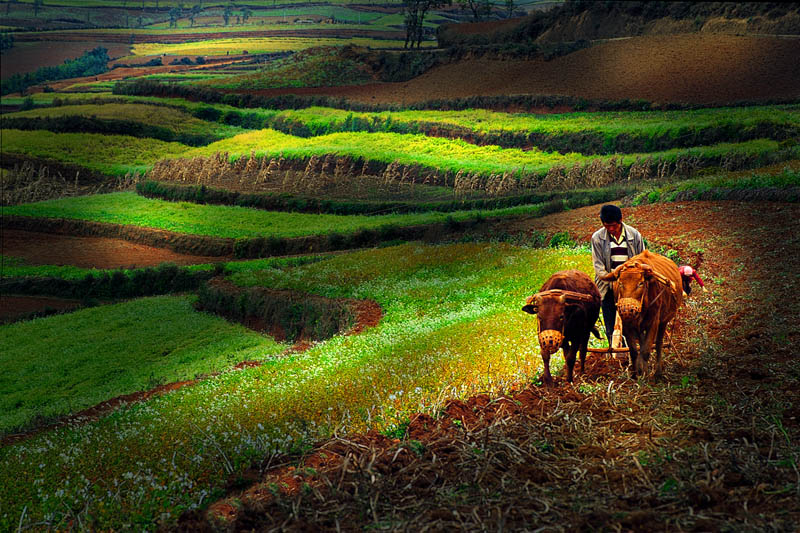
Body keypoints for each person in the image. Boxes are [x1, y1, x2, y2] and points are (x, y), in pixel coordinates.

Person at [591, 204, 646, 346]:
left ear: (621, 220)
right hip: (608, 283)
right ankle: (613, 346)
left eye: (613, 225)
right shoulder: (597, 238)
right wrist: (612, 277)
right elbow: (598, 266)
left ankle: (636, 343)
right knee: (609, 315)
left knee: (635, 316)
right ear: (602, 223)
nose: (610, 229)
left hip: (631, 285)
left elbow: (643, 257)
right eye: (607, 225)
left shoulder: (634, 235)